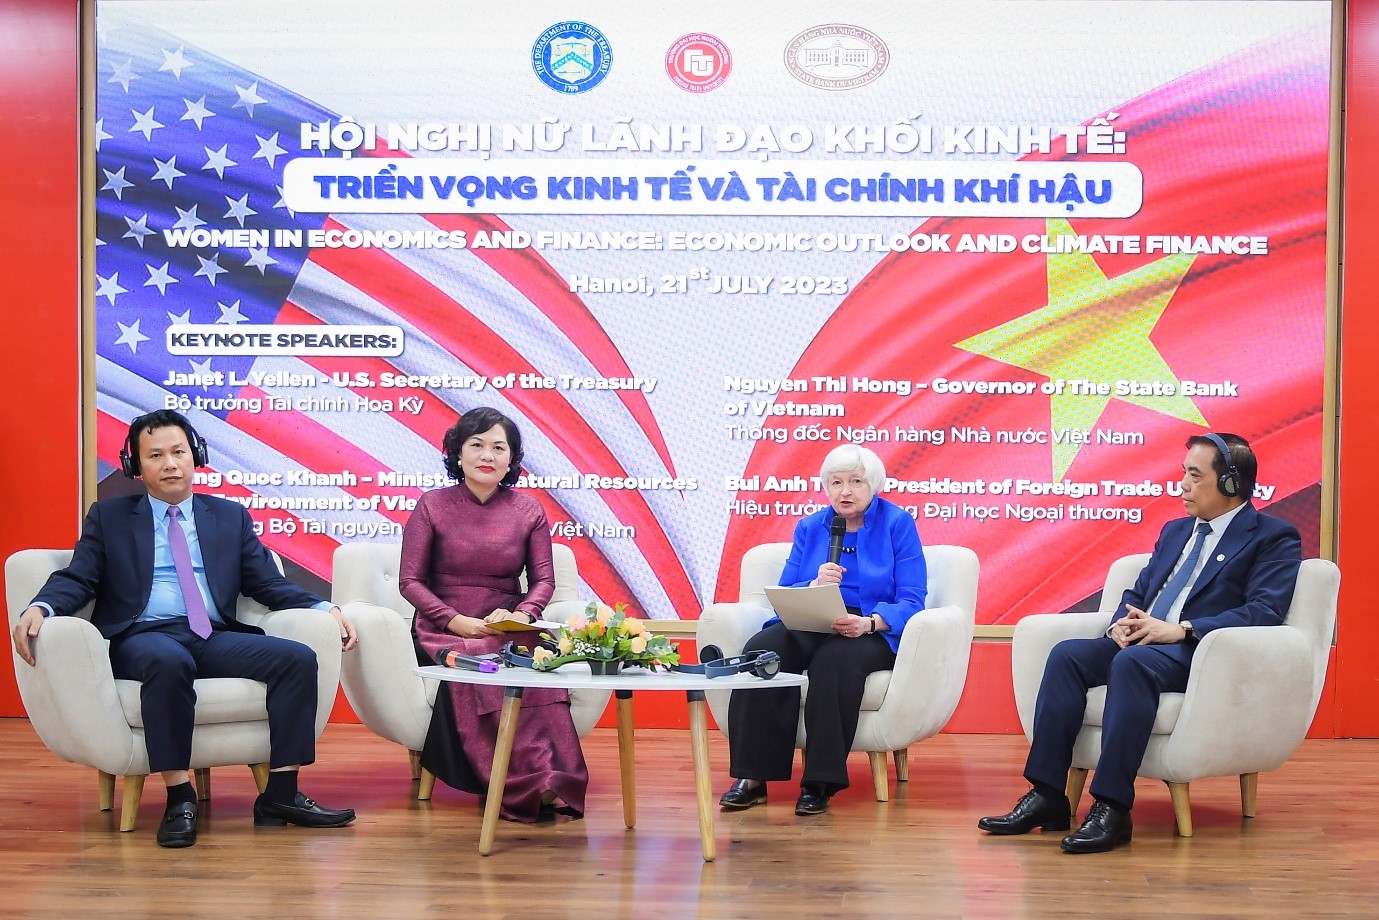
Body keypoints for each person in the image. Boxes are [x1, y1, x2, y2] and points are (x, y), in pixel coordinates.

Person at [11, 409, 359, 848]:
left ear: (196, 456)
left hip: (209, 634)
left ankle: (281, 795)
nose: (170, 463)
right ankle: (179, 798)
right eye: (155, 455)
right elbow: (80, 577)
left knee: (297, 659)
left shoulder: (228, 516)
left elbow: (265, 583)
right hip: (143, 637)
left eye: (178, 452)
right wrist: (41, 606)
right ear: (136, 467)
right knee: (168, 661)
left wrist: (324, 606)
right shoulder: (110, 517)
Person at [979, 433, 1302, 853]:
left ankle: (1112, 808)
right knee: (1067, 656)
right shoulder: (1175, 531)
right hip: (1144, 641)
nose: (1183, 485)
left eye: (1195, 476)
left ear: (1231, 484)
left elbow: (1264, 610)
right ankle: (1047, 796)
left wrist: (1184, 629)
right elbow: (1140, 590)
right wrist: (1121, 623)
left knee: (1131, 665)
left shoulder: (1273, 536)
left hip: (1199, 652)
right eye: (1183, 473)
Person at [399, 406, 588, 822]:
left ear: (511, 458)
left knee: (534, 664)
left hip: (507, 624)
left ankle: (551, 776)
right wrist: (453, 620)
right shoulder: (432, 506)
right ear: (457, 453)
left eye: (499, 448)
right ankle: (510, 782)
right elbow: (410, 582)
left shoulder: (529, 510)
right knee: (482, 658)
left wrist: (523, 615)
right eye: (477, 445)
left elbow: (543, 580)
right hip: (445, 626)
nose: (487, 455)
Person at [718, 444, 927, 816]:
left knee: (834, 663)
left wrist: (870, 623)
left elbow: (913, 598)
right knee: (762, 650)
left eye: (855, 482)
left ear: (873, 485)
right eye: (836, 482)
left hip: (869, 627)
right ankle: (753, 777)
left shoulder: (897, 524)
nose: (845, 491)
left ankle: (819, 783)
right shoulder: (810, 526)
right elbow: (786, 589)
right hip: (815, 618)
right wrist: (814, 585)